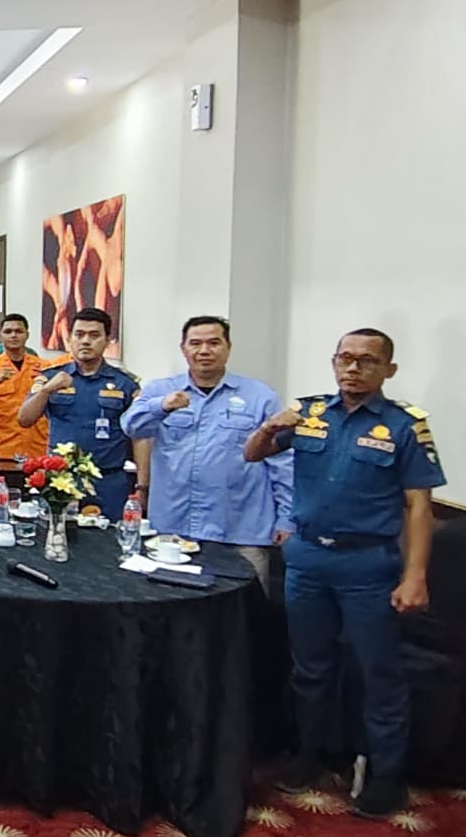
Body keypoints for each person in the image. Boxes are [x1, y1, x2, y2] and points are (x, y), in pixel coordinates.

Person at [245, 328, 444, 817]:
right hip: (308, 559)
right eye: (345, 358)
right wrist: (271, 426)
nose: (353, 368)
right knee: (310, 668)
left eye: (366, 361)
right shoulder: (309, 413)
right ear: (334, 362)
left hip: (368, 564)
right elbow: (252, 453)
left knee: (378, 672)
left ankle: (387, 774)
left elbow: (419, 506)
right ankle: (310, 754)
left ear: (388, 370)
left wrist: (415, 575)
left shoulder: (405, 425)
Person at [121, 316, 293, 586]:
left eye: (214, 343)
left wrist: (286, 518)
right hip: (173, 530)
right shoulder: (161, 390)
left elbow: (282, 463)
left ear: (228, 347)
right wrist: (161, 406)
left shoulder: (260, 396)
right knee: (173, 600)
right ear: (183, 348)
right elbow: (131, 426)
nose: (204, 351)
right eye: (195, 343)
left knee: (246, 606)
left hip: (240, 529)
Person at [18, 308, 141, 514]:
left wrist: (142, 485)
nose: (85, 341)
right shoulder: (51, 377)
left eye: (94, 335)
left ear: (107, 340)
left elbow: (139, 436)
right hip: (62, 481)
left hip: (109, 480)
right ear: (69, 339)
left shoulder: (125, 383)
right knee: (60, 531)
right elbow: (24, 419)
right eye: (79, 334)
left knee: (111, 533)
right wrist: (47, 390)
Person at [0, 314, 51, 463]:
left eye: (18, 331)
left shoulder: (45, 368)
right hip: (2, 448)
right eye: (8, 331)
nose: (13, 335)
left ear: (27, 335)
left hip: (38, 448)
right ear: (1, 335)